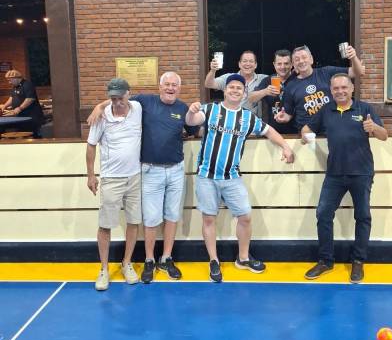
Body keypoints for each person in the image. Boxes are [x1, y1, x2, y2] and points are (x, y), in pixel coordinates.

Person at [88, 72, 196, 284]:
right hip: (145, 171)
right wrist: (99, 106)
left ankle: (164, 258)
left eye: (174, 85)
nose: (170, 88)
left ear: (179, 88)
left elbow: (193, 127)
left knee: (169, 215)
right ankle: (146, 260)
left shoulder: (179, 108)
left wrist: (197, 114)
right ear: (159, 86)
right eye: (166, 84)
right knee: (149, 218)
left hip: (170, 170)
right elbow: (117, 100)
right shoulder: (143, 102)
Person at [186, 73, 295, 283]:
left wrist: (285, 146)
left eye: (239, 88)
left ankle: (243, 258)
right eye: (231, 87)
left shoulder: (248, 117)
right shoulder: (211, 109)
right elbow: (192, 121)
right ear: (225, 90)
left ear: (244, 93)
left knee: (245, 217)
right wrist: (191, 112)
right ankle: (213, 260)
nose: (235, 90)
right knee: (209, 219)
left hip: (232, 177)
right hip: (206, 176)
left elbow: (269, 130)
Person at [302, 73, 388, 284]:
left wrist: (374, 128)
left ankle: (358, 261)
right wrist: (305, 136)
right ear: (331, 91)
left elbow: (384, 135)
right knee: (323, 214)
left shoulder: (365, 109)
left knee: (363, 216)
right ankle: (325, 260)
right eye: (336, 88)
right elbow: (306, 128)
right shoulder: (326, 110)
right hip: (334, 174)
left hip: (361, 172)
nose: (340, 91)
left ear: (351, 88)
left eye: (344, 87)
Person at [86, 78, 142, 291]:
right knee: (105, 225)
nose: (117, 102)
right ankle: (104, 269)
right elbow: (91, 146)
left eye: (120, 98)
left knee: (133, 222)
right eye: (113, 98)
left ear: (129, 94)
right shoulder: (101, 116)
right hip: (111, 178)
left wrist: (99, 104)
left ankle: (127, 263)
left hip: (135, 177)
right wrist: (91, 175)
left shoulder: (137, 108)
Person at [276, 44, 365, 134]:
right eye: (297, 59)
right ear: (294, 64)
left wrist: (353, 57)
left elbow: (358, 72)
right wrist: (283, 117)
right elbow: (288, 114)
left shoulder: (326, 72)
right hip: (307, 133)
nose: (301, 61)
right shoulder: (290, 86)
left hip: (331, 130)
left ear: (311, 59)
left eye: (304, 57)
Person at [247, 49, 296, 134]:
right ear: (274, 64)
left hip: (295, 132)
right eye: (279, 64)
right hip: (271, 132)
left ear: (292, 64)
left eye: (286, 63)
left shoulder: (298, 80)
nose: (282, 67)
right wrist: (265, 91)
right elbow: (251, 98)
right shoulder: (268, 80)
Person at [204, 50, 267, 115]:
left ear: (255, 65)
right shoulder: (229, 78)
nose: (248, 64)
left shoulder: (263, 79)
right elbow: (209, 84)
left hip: (253, 119)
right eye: (244, 61)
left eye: (251, 61)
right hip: (231, 117)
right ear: (239, 64)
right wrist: (213, 70)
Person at [0, 69, 44, 138]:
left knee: (31, 135)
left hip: (31, 116)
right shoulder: (15, 87)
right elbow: (12, 98)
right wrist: (4, 106)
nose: (9, 82)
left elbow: (30, 99)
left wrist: (20, 108)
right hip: (21, 116)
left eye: (10, 80)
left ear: (16, 78)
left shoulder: (27, 84)